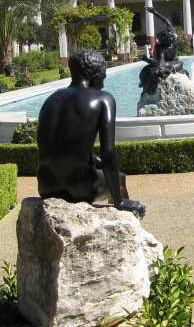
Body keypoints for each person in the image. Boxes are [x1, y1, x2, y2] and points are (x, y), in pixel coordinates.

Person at [36, 50, 145, 218]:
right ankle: (123, 218)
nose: (102, 84)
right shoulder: (103, 99)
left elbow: (55, 146)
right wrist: (119, 200)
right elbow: (108, 151)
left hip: (46, 186)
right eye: (103, 77)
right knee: (120, 178)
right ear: (96, 75)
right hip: (81, 189)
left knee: (100, 167)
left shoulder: (51, 100)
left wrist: (95, 161)